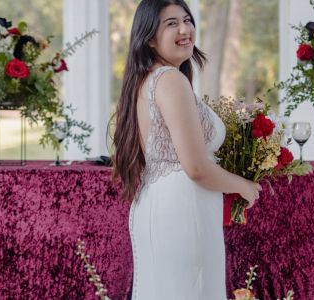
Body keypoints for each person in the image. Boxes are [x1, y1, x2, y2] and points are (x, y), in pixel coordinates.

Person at [112, 0, 262, 299]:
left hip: (162, 204)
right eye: (171, 24)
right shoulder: (170, 80)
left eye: (187, 20)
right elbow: (196, 167)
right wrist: (245, 186)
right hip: (182, 211)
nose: (184, 29)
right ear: (150, 38)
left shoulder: (148, 80)